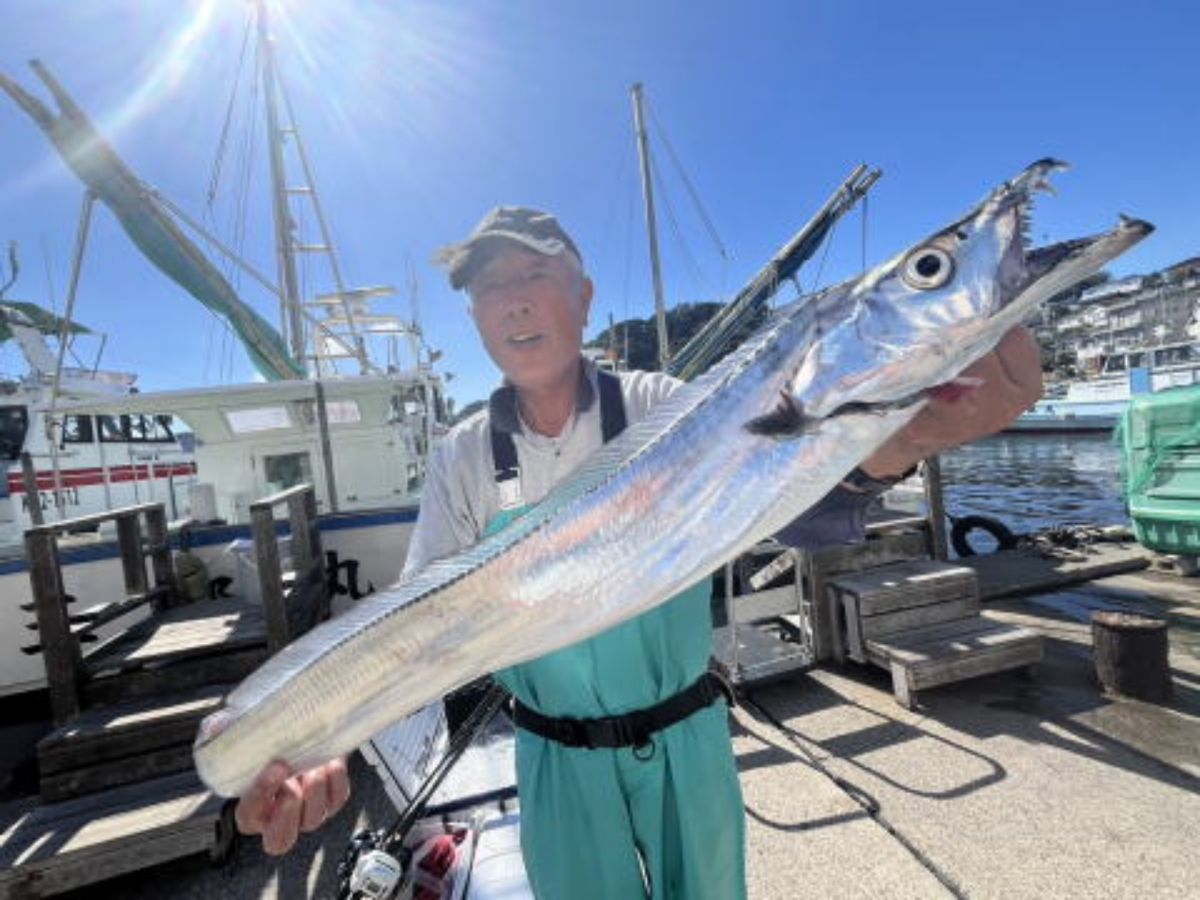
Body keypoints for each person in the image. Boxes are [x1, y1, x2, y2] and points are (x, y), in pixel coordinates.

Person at [234, 207, 1043, 895]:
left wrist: (890, 450)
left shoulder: (666, 405)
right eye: (489, 290)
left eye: (533, 275)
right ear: (475, 320)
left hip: (688, 739)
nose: (514, 303)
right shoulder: (463, 455)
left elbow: (782, 501)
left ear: (584, 297)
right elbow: (418, 627)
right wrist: (317, 735)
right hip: (553, 758)